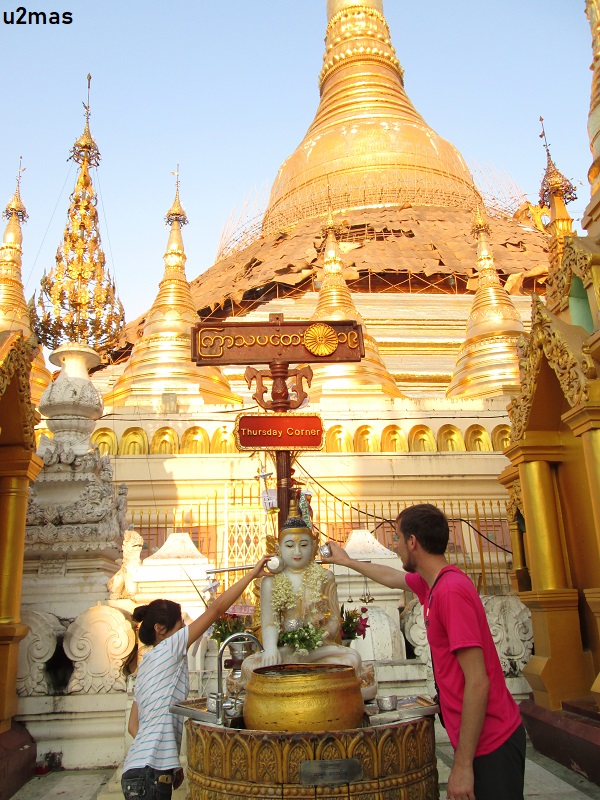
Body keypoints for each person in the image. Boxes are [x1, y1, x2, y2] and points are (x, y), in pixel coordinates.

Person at [321, 503, 525, 800]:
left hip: (493, 742)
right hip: (478, 740)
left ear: (412, 542)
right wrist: (348, 561)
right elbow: (391, 577)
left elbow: (478, 682)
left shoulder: (450, 592)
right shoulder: (432, 584)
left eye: (397, 538)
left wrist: (462, 766)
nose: (396, 546)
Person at [121, 555, 272, 800]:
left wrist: (169, 761)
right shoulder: (170, 647)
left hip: (135, 770)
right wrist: (252, 574)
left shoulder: (146, 664)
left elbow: (133, 727)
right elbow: (216, 610)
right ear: (160, 629)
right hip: (150, 774)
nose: (185, 629)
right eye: (181, 624)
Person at [241, 500, 364, 683]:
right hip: (285, 649)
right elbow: (270, 623)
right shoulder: (270, 582)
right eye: (290, 546)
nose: (297, 552)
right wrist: (272, 649)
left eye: (304, 545)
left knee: (352, 660)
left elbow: (333, 621)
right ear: (278, 548)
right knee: (249, 666)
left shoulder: (325, 577)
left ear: (313, 546)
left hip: (318, 649)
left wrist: (313, 637)